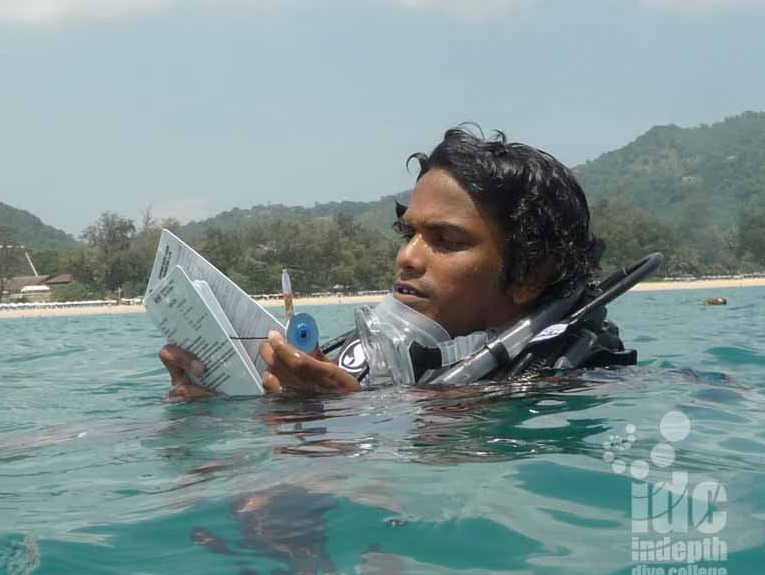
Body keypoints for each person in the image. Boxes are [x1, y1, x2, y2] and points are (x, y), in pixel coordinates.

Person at [159, 126, 634, 398]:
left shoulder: (566, 389)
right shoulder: (379, 364)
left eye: (445, 240)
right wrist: (212, 403)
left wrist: (337, 424)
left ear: (528, 273)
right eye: (409, 233)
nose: (406, 257)